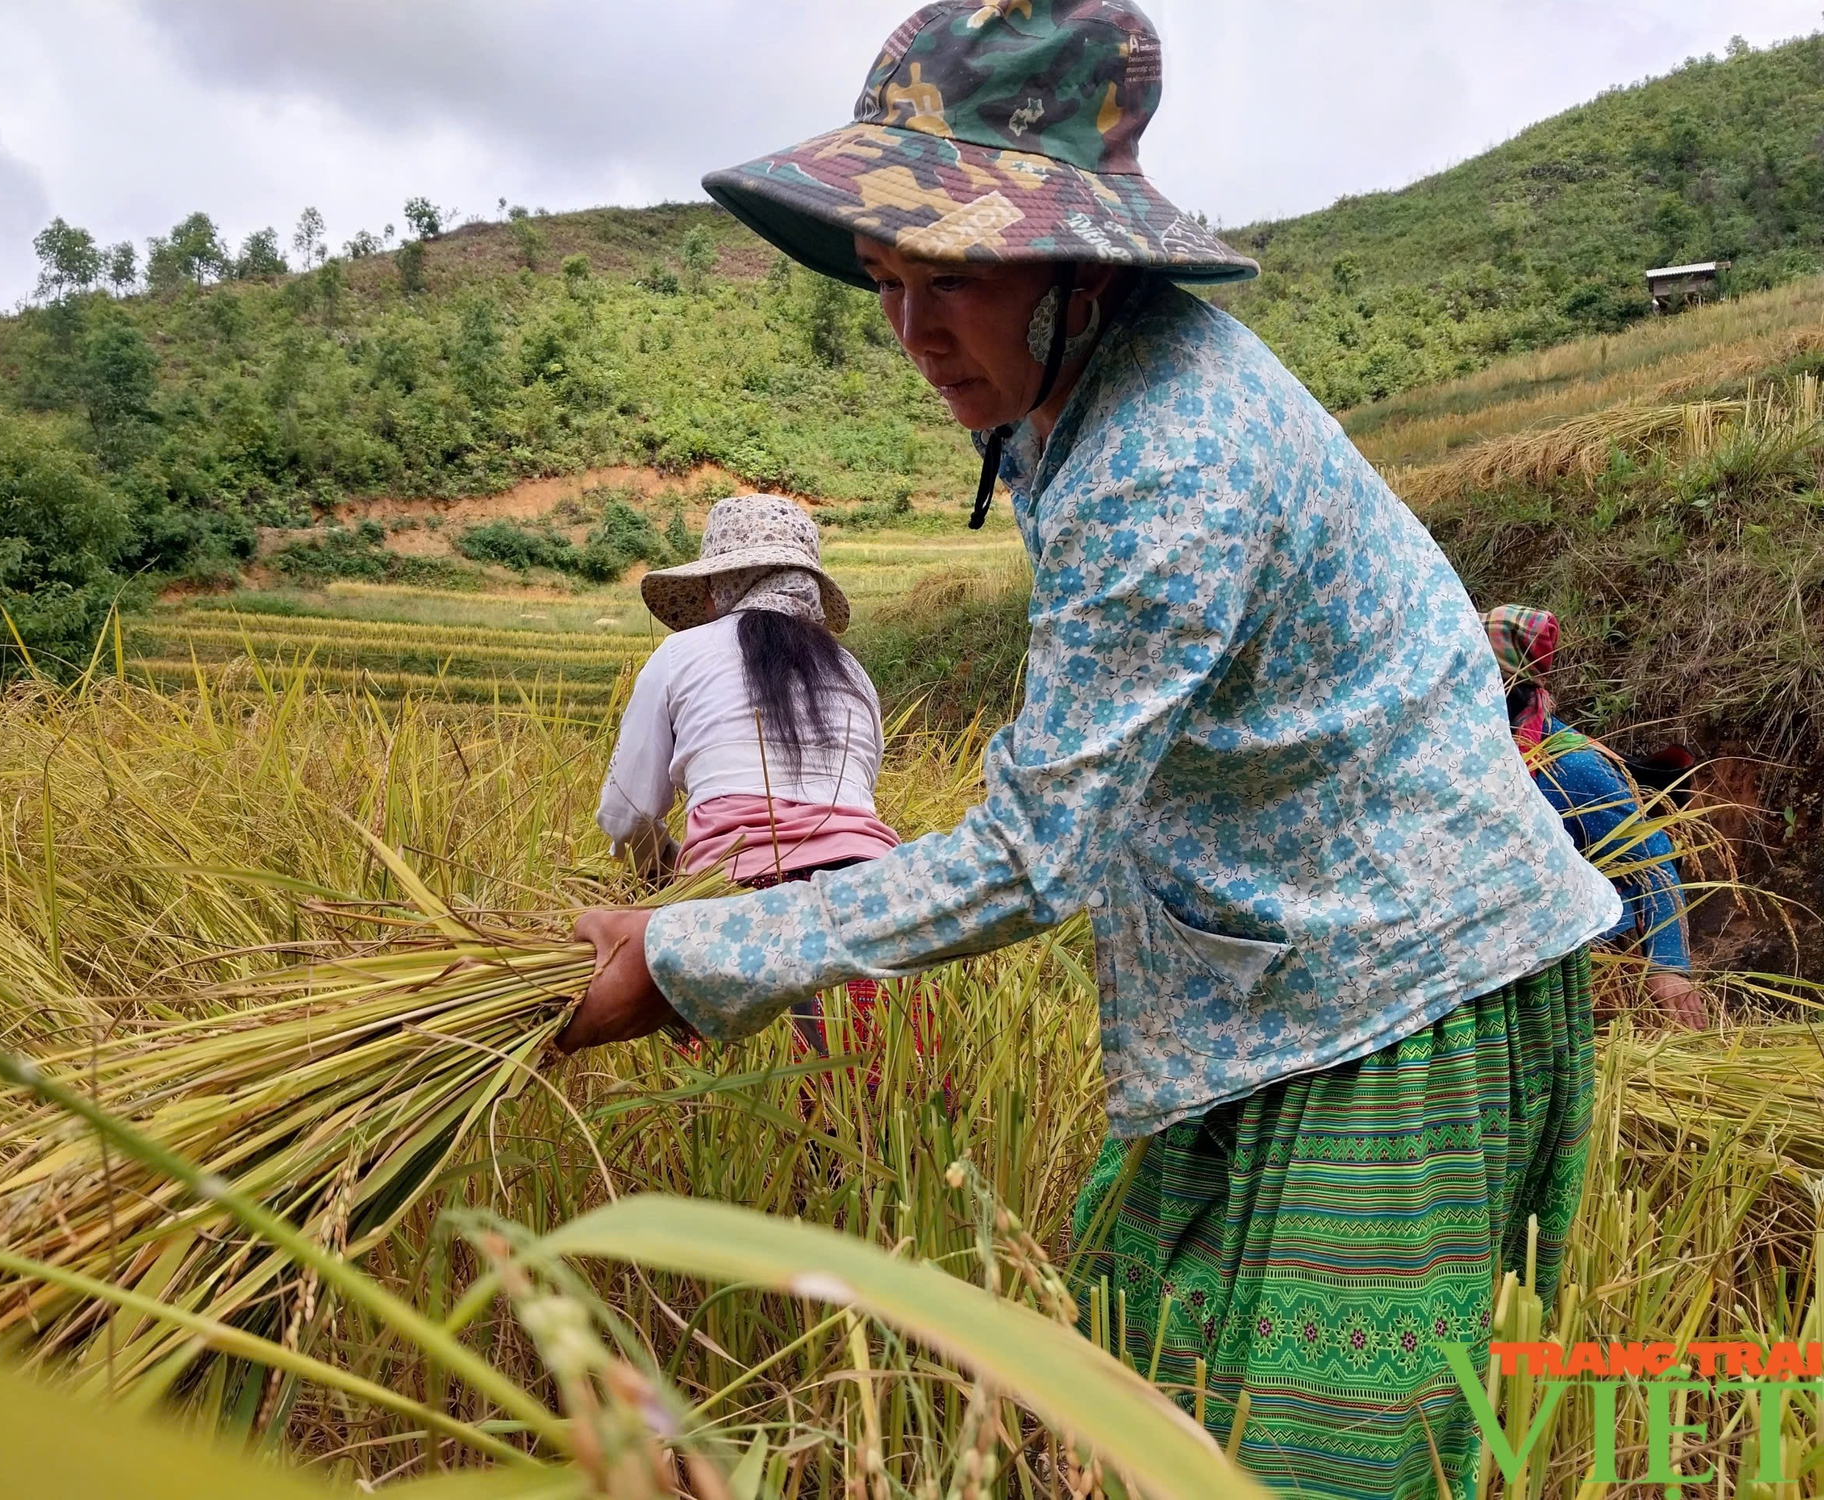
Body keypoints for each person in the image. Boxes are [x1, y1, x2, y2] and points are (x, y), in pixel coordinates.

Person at [563, 4, 1621, 1496]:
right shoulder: (1078, 400)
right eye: (887, 281)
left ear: (1080, 266)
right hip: (1276, 981)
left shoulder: (1164, 456)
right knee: (1153, 1411)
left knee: (1298, 1468)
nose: (916, 336)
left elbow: (1031, 853)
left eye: (956, 284)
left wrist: (685, 961)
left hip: (1402, 987)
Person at [597, 492, 899, 1050]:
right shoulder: (854, 673)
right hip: (873, 903)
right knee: (878, 1100)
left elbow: (627, 814)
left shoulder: (680, 654)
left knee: (739, 1116)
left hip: (737, 907)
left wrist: (657, 883)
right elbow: (856, 803)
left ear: (722, 586)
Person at [1484, 605, 1709, 1030]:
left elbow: (1654, 860)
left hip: (1589, 965)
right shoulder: (1476, 757)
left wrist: (1669, 968)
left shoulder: (1567, 765)